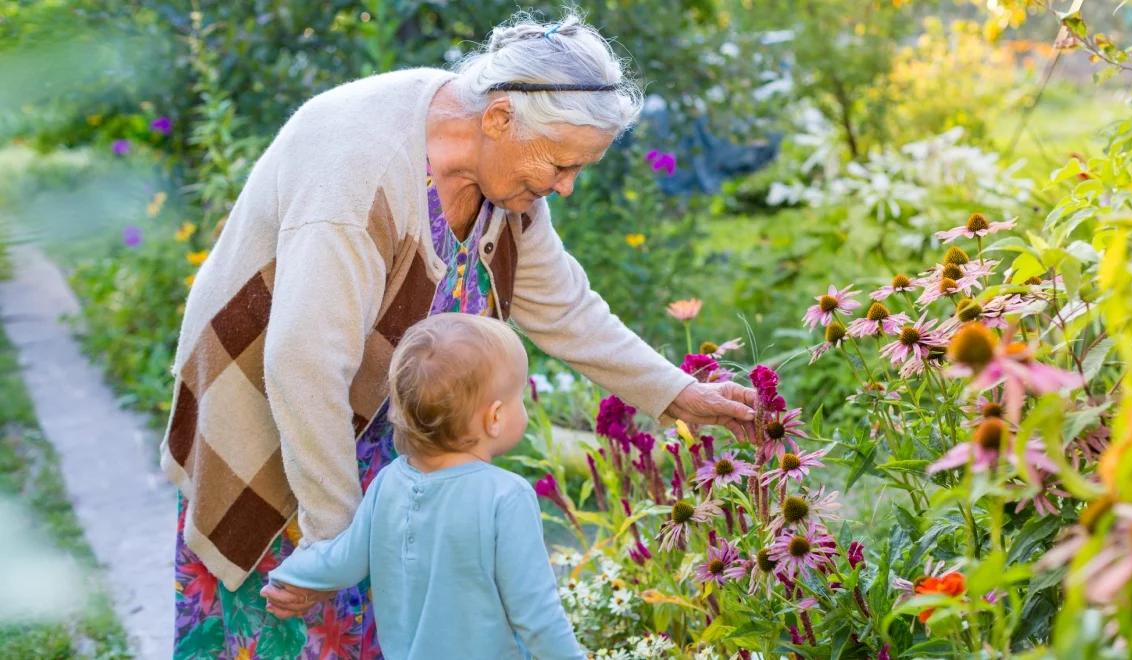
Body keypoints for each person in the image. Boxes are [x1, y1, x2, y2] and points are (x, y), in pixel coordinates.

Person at [164, 10, 755, 656]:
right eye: (562, 165)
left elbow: (566, 309)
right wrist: (336, 550)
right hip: (280, 419)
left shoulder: (504, 181)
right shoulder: (360, 167)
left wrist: (678, 396)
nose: (567, 187)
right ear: (499, 119)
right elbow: (303, 366)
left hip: (388, 430)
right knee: (294, 626)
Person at [264, 313, 584, 659]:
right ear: (494, 418)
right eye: (518, 396)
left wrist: (289, 576)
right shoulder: (506, 497)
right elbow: (537, 615)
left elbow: (344, 560)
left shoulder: (389, 482)